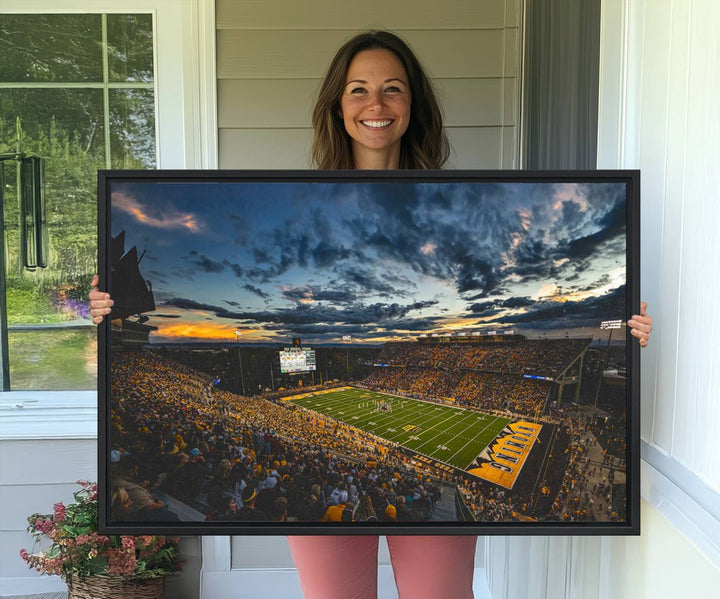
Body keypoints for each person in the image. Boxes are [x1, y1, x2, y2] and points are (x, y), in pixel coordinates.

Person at [89, 29, 653, 599]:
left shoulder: (450, 202)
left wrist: (627, 332)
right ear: (338, 104)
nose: (375, 105)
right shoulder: (300, 202)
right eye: (358, 89)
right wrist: (106, 311)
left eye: (393, 89)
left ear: (413, 105)